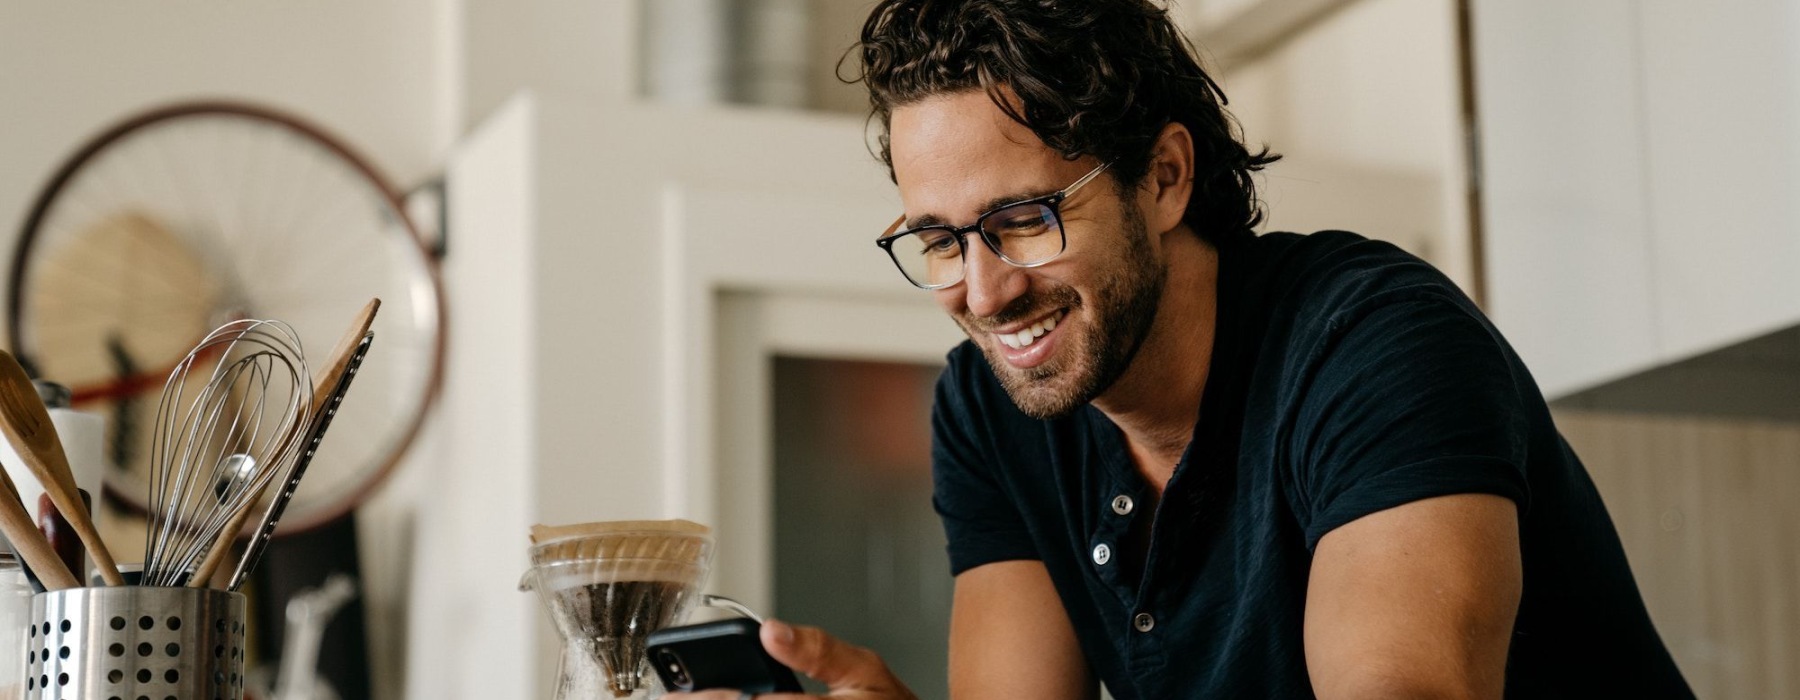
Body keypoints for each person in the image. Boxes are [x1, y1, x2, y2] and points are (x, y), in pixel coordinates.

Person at [674, 0, 1694, 697]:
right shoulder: (991, 412)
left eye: (1025, 218)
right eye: (938, 240)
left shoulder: (1375, 343)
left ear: (1163, 177)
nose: (983, 292)